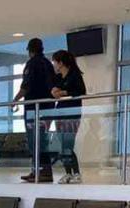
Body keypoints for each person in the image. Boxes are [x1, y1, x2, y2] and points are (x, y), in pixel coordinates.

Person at [13, 38, 56, 183]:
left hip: (34, 109)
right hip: (48, 107)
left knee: (35, 140)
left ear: (30, 50)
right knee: (41, 140)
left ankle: (41, 172)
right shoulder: (48, 64)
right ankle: (39, 171)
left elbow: (26, 86)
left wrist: (15, 100)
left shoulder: (32, 64)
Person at [51, 49, 87, 184]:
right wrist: (54, 90)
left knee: (68, 144)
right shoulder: (59, 77)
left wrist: (63, 92)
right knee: (63, 145)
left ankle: (76, 173)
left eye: (55, 62)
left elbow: (80, 91)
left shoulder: (75, 75)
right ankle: (68, 173)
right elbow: (54, 89)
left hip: (72, 113)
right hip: (60, 112)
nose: (54, 65)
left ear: (60, 63)